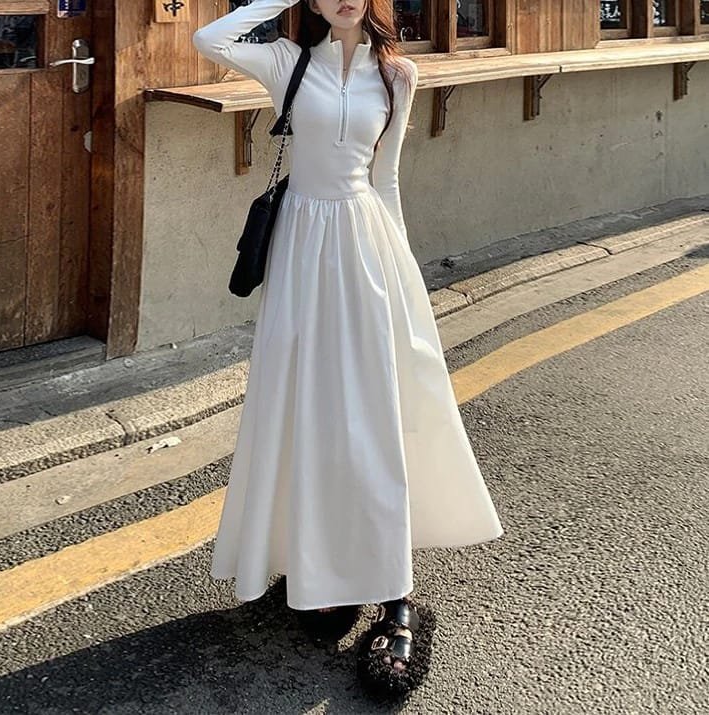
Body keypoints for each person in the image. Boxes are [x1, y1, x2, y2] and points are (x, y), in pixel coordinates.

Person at [193, 0, 503, 698]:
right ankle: (323, 565)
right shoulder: (285, 63)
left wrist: (403, 275)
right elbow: (208, 38)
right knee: (305, 408)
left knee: (371, 413)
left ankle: (394, 592)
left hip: (366, 246)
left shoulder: (396, 75)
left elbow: (385, 179)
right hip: (301, 249)